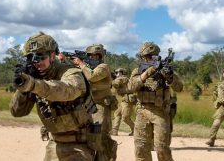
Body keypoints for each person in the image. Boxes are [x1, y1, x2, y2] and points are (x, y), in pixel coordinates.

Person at [10, 32, 97, 161]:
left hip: (80, 144)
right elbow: (17, 112)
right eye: (30, 57)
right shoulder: (35, 78)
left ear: (52, 55)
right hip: (55, 143)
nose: (36, 61)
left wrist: (34, 85)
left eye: (40, 56)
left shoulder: (70, 72)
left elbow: (67, 90)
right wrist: (24, 90)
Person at [128, 42, 183, 161]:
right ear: (142, 58)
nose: (150, 59)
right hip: (142, 111)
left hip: (161, 112)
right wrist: (148, 72)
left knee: (162, 148)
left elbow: (179, 88)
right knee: (141, 147)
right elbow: (131, 87)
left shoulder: (165, 69)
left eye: (153, 56)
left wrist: (170, 77)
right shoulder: (138, 71)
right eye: (148, 57)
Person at [72, 44, 118, 161]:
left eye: (96, 56)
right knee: (87, 135)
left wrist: (81, 64)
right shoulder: (85, 67)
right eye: (91, 56)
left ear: (101, 57)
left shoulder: (104, 67)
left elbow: (93, 76)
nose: (93, 58)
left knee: (101, 137)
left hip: (101, 105)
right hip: (87, 105)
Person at [110, 68, 136, 136]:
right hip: (122, 101)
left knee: (125, 117)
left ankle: (135, 130)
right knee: (117, 113)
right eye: (116, 72)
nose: (117, 74)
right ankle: (114, 131)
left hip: (127, 101)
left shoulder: (123, 78)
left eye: (118, 72)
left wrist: (111, 78)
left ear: (122, 73)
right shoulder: (121, 78)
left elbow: (115, 84)